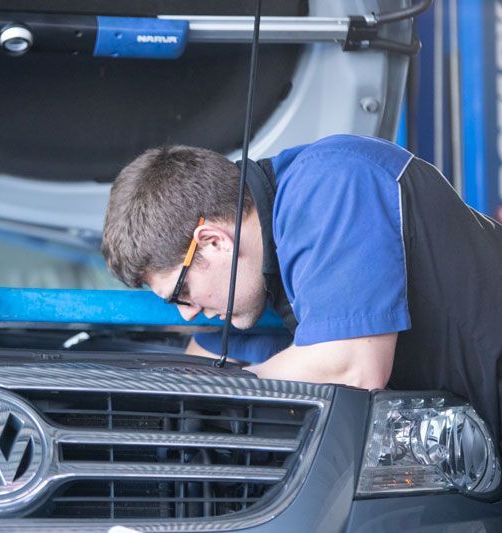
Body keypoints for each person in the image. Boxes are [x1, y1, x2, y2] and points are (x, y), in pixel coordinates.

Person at [101, 134, 502, 441]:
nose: (187, 313)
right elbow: (203, 364)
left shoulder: (331, 183)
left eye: (181, 293)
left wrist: (224, 393)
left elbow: (353, 366)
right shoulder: (261, 275)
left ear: (214, 242)